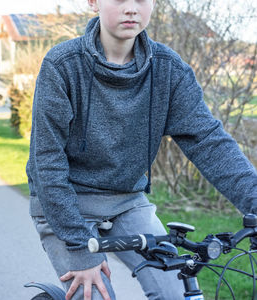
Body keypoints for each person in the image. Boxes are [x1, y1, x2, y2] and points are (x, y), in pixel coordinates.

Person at [26, 0, 257, 299]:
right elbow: (47, 163)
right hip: (65, 204)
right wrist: (81, 248)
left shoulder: (168, 70)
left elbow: (209, 142)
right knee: (94, 294)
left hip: (127, 202)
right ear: (93, 2)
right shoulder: (62, 65)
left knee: (177, 291)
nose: (131, 8)